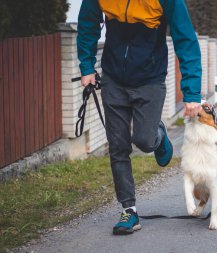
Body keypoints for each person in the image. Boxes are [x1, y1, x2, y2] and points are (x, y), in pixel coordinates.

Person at [77, 0, 202, 235]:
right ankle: (129, 210)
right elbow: (87, 24)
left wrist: (192, 92)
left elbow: (185, 39)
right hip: (113, 78)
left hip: (150, 78)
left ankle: (158, 134)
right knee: (118, 146)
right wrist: (86, 66)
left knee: (144, 141)